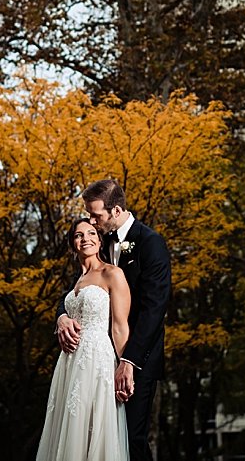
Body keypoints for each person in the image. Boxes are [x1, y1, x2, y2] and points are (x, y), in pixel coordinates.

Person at [56, 179, 171, 461]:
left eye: (96, 215)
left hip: (136, 358)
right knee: (96, 439)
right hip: (96, 362)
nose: (91, 222)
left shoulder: (150, 243)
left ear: (116, 210)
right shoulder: (99, 241)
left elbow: (154, 309)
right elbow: (78, 290)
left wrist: (129, 362)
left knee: (131, 440)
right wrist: (61, 316)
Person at [36, 218, 131, 461]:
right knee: (67, 428)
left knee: (93, 428)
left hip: (97, 360)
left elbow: (120, 327)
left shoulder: (112, 274)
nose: (85, 238)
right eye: (79, 235)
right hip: (68, 363)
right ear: (73, 244)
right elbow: (64, 311)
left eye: (91, 233)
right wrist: (61, 319)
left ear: (99, 241)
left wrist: (126, 368)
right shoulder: (75, 282)